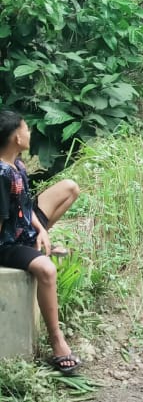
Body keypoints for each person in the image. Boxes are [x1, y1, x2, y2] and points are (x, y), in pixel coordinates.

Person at [0, 110, 82, 376]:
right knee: (46, 270)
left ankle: (40, 244)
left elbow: (24, 205)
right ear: (16, 137)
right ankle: (57, 342)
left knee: (69, 187)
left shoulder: (17, 164)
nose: (30, 133)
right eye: (26, 129)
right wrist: (26, 250)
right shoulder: (1, 174)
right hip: (6, 242)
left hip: (22, 227)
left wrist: (40, 230)